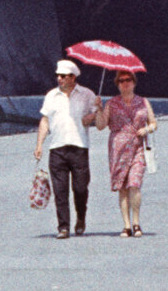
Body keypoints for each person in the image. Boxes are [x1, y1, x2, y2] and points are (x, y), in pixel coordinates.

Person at [35, 59, 100, 238]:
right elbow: (45, 120)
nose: (59, 79)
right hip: (57, 148)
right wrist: (39, 144)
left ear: (72, 77)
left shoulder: (87, 94)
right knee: (60, 191)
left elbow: (95, 115)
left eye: (63, 76)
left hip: (79, 147)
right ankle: (63, 227)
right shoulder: (51, 95)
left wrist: (94, 114)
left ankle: (81, 217)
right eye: (58, 76)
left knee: (80, 188)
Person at [95, 70, 158, 236]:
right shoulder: (111, 103)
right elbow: (101, 125)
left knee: (134, 184)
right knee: (122, 187)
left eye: (128, 80)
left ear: (134, 82)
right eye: (121, 81)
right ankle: (126, 225)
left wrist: (147, 129)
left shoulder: (143, 102)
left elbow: (153, 123)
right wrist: (99, 109)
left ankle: (136, 223)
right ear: (117, 84)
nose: (125, 83)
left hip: (137, 147)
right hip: (118, 149)